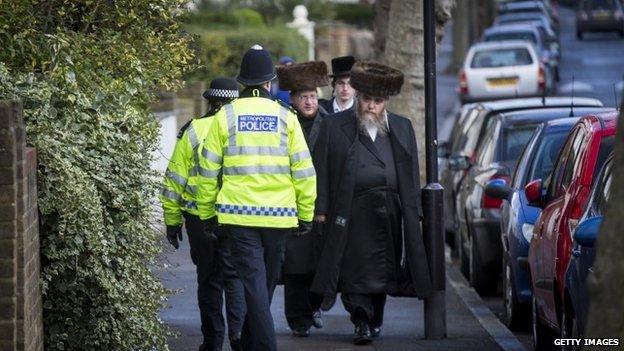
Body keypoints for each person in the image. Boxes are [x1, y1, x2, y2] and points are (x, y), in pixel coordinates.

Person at [195, 44, 317, 351]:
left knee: (256, 288)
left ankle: (251, 343)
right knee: (263, 287)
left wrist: (207, 213)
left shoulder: (226, 116)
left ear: (243, 82)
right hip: (278, 217)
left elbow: (207, 171)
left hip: (238, 217)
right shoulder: (286, 117)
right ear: (269, 82)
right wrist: (305, 214)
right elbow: (304, 171)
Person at [311, 61, 433, 345]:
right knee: (354, 272)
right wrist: (321, 211)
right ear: (358, 98)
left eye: (377, 101)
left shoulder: (401, 127)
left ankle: (375, 318)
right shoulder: (335, 125)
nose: (371, 106)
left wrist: (414, 211)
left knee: (382, 271)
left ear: (386, 102)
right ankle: (361, 320)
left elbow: (412, 171)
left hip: (388, 211)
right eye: (367, 100)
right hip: (351, 212)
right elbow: (323, 170)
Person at [160, 78, 246, 351]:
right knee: (235, 278)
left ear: (209, 102)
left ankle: (212, 342)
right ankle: (239, 337)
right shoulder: (241, 130)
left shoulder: (194, 130)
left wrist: (172, 222)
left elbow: (175, 179)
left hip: (198, 217)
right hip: (235, 216)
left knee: (209, 280)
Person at [275, 61, 329, 337]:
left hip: (321, 205)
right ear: (293, 100)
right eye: (303, 97)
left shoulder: (330, 124)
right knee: (295, 267)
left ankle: (313, 308)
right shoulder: (284, 125)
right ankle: (298, 320)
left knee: (319, 264)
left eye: (312, 97)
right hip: (292, 204)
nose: (309, 102)